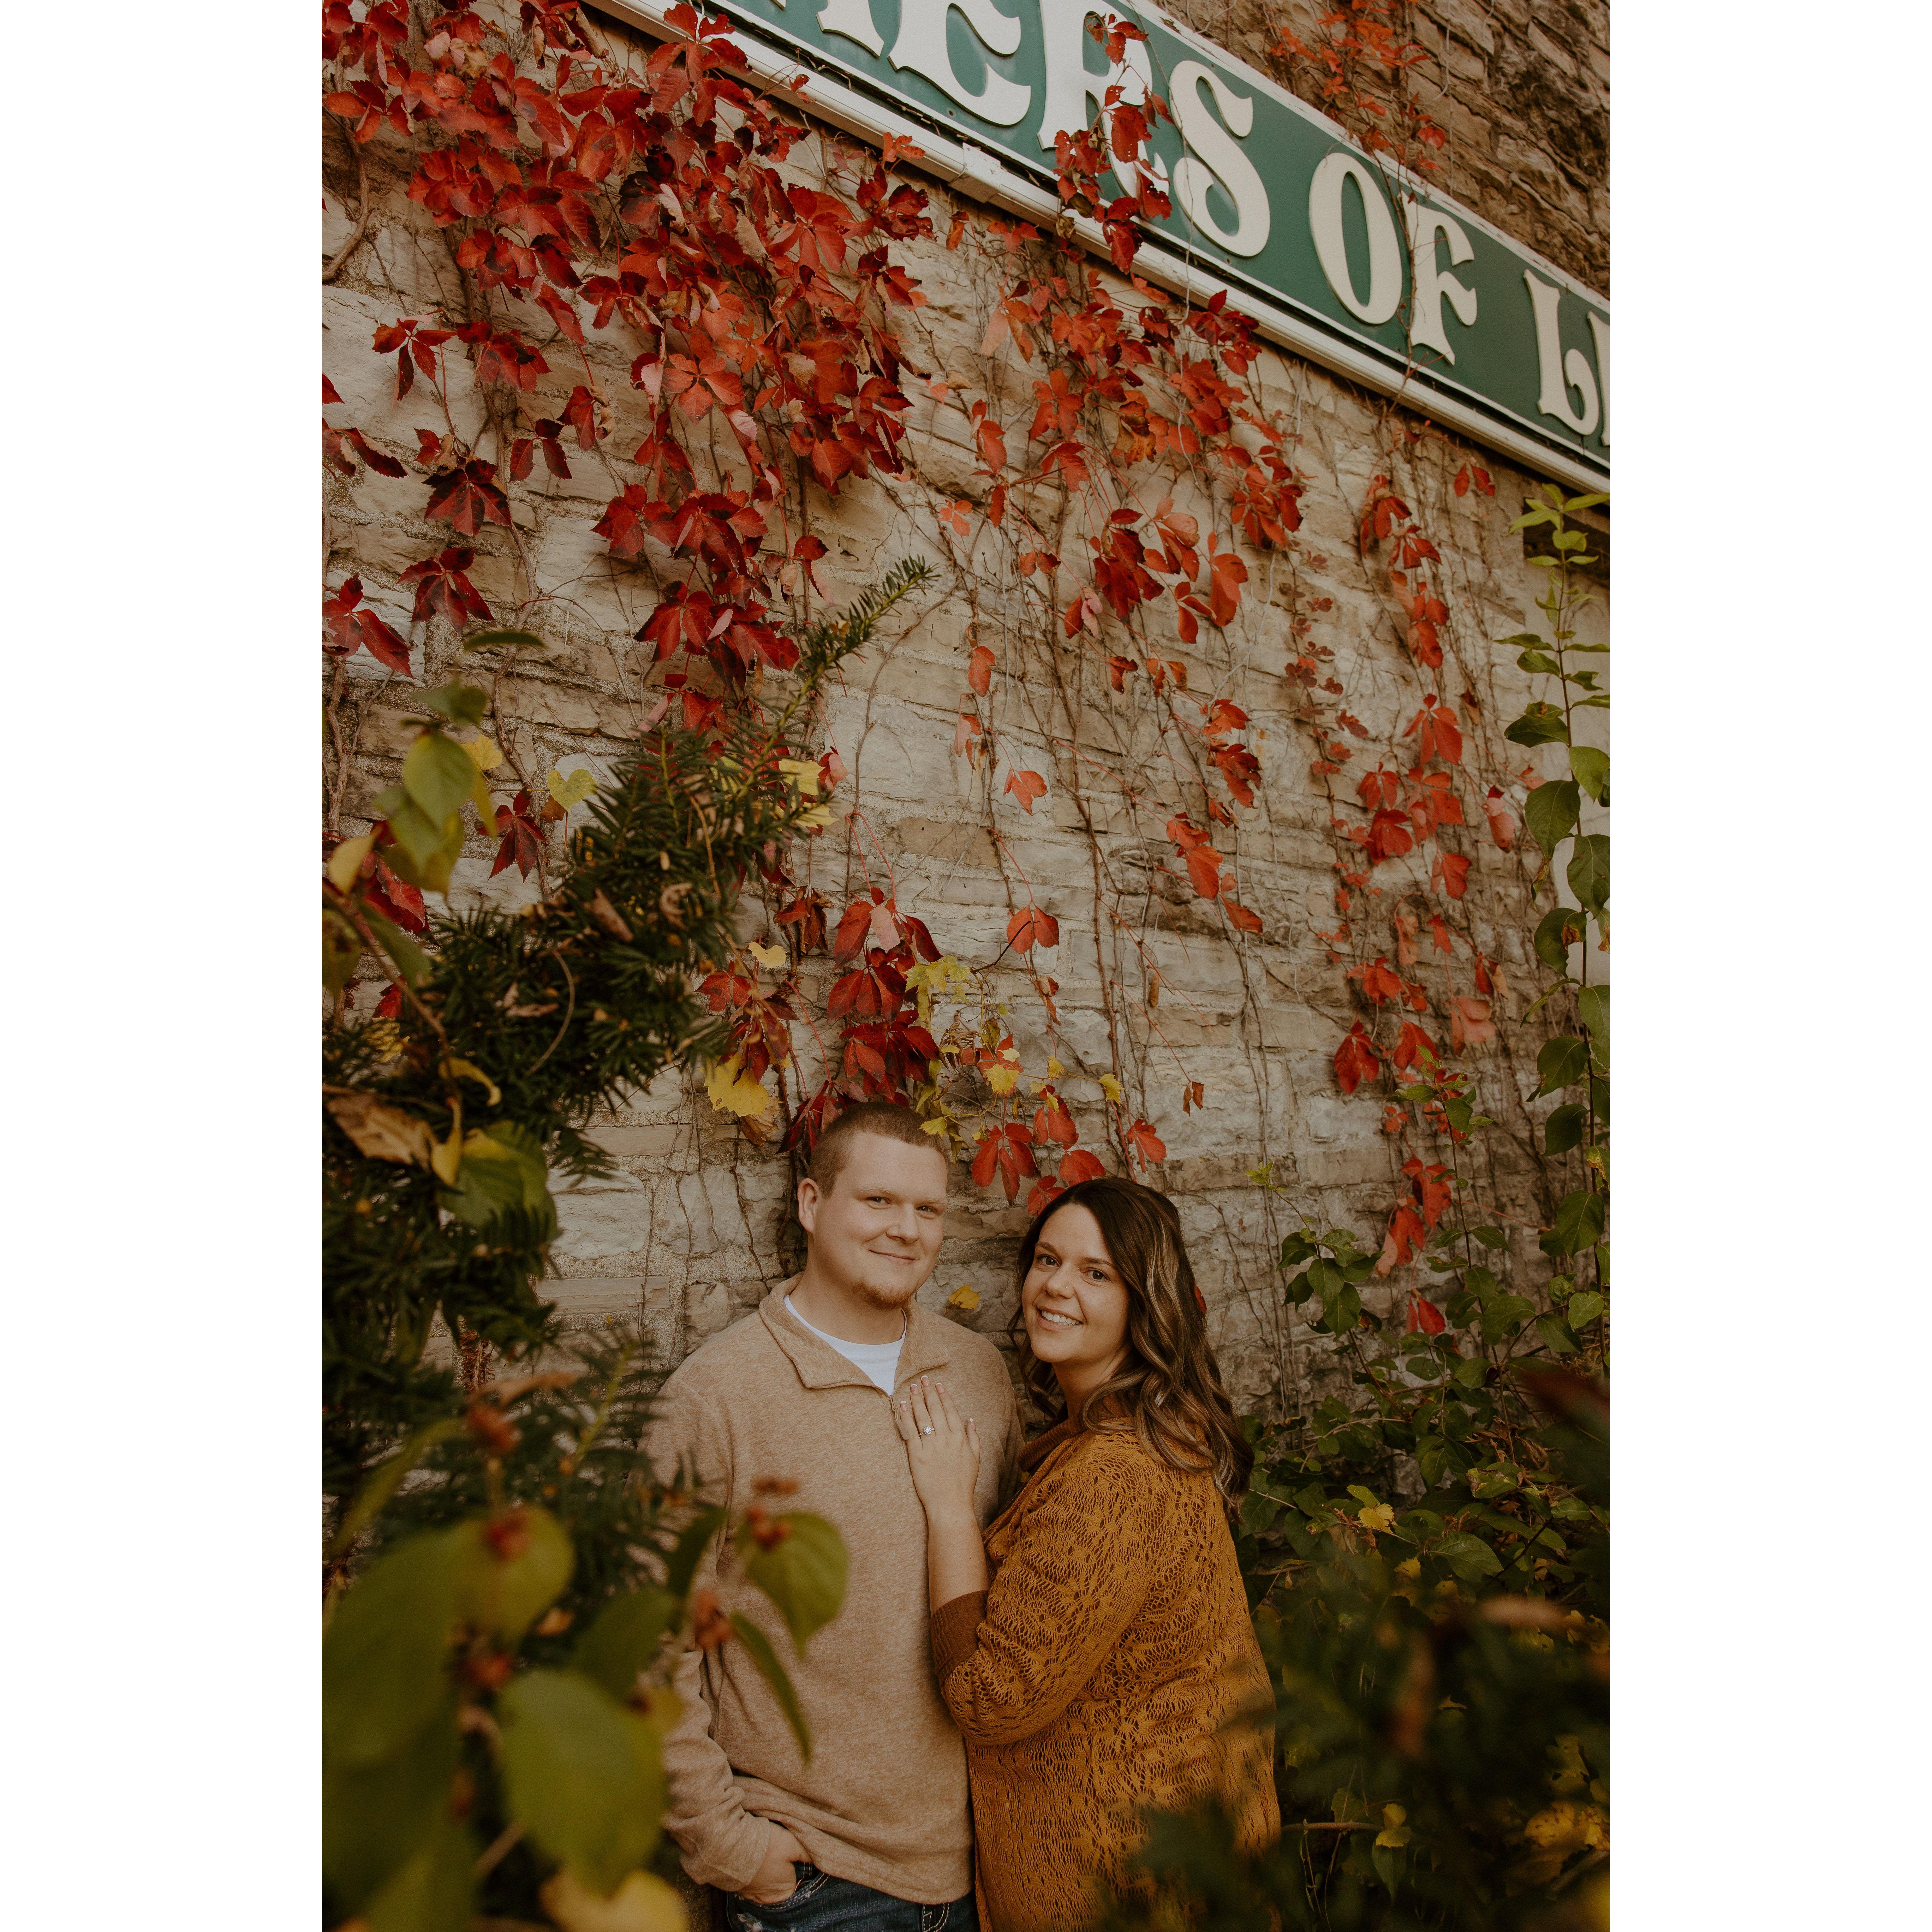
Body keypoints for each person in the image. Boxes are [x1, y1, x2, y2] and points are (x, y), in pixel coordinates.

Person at [653, 1101, 1022, 1931]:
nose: (906, 1230)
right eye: (879, 1201)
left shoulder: (977, 1373)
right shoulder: (716, 1397)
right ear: (812, 1204)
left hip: (982, 1866)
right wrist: (728, 1849)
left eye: (927, 1209)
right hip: (818, 1884)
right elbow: (651, 1642)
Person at [892, 1175, 1279, 1931]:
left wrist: (949, 1508)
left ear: (1145, 1304)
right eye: (1047, 1260)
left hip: (1125, 1892)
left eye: (1096, 1273)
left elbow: (991, 1697)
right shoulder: (1138, 1437)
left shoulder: (1115, 1475)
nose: (1056, 1287)